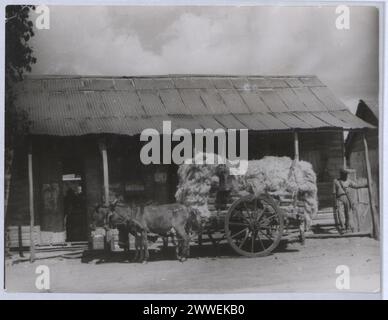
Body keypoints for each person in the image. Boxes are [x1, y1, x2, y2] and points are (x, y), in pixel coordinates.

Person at [333, 168, 368, 233]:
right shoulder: (336, 181)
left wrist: (364, 185)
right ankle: (342, 227)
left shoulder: (348, 181)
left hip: (347, 198)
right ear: (341, 174)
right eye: (345, 174)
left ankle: (347, 226)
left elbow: (356, 186)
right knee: (340, 213)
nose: (346, 176)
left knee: (348, 213)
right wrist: (335, 202)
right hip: (339, 198)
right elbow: (334, 193)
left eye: (347, 174)